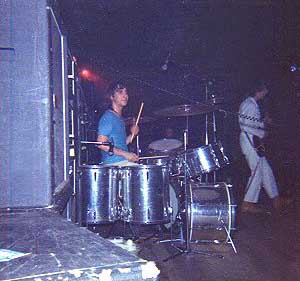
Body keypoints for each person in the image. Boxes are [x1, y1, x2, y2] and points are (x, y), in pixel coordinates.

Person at [239, 80, 290, 214]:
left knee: (265, 169)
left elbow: (252, 123)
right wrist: (262, 132)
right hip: (251, 141)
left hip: (255, 141)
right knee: (256, 171)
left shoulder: (251, 104)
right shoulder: (250, 104)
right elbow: (246, 126)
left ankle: (276, 198)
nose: (265, 93)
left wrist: (263, 123)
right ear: (259, 91)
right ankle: (247, 203)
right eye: (264, 91)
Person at [97, 82, 139, 165]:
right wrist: (126, 154)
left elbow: (122, 143)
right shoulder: (109, 117)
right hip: (113, 164)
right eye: (120, 92)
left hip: (121, 162)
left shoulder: (119, 119)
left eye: (126, 92)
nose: (125, 95)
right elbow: (101, 144)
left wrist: (133, 134)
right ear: (111, 96)